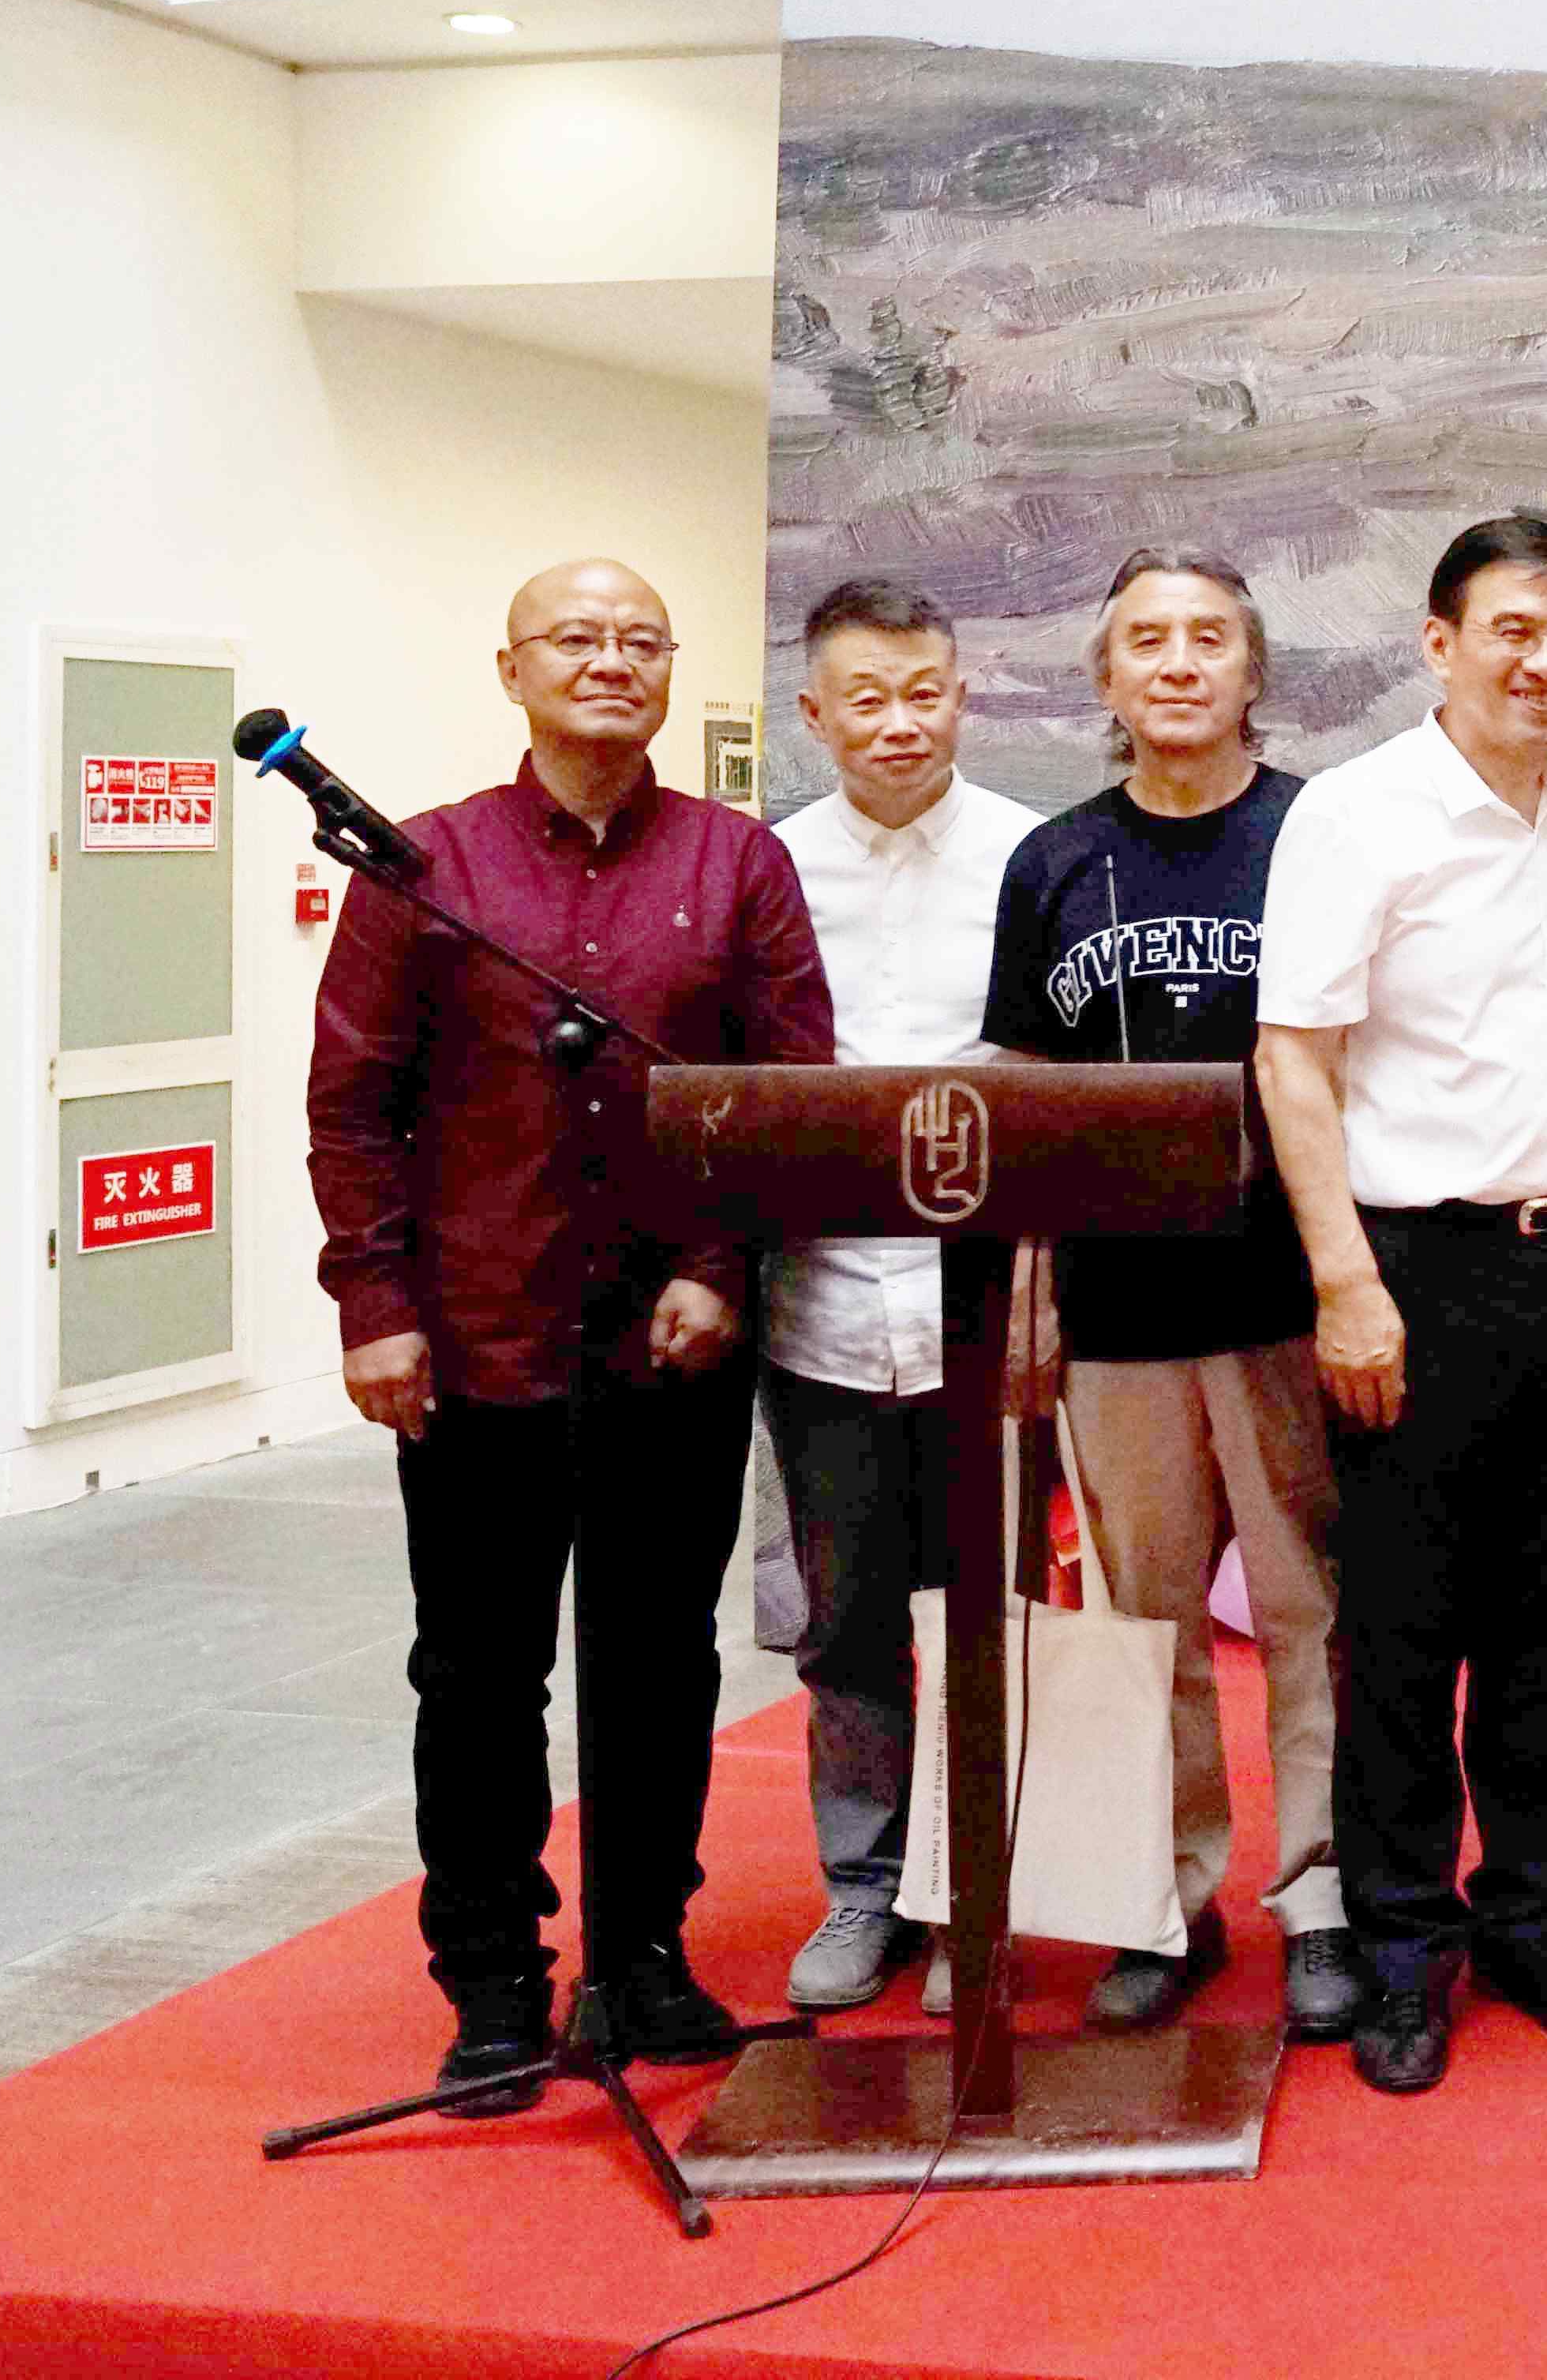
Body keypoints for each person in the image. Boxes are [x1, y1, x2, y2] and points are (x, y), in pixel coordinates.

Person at [305, 560, 833, 2112]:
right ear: (512, 667)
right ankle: (489, 1979)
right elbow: (355, 1100)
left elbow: (788, 1093)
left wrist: (722, 1266)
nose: (611, 660)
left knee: (661, 1661)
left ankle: (644, 1949)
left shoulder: (736, 861)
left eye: (639, 640)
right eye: (577, 638)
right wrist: (374, 1303)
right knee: (477, 1672)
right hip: (475, 1339)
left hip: (673, 1340)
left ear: (673, 672)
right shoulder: (425, 861)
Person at [1257, 516, 1547, 2095]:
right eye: (1514, 630)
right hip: (1411, 1270)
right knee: (1405, 1634)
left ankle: (1533, 1918)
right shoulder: (1357, 813)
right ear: (1439, 641)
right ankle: (1403, 1944)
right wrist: (1345, 1281)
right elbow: (1295, 1054)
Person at [982, 549, 1352, 2042]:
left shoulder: (1320, 835)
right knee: (1143, 1626)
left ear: (1254, 671)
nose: (1181, 664)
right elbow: (1021, 1088)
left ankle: (1320, 1894)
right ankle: (1167, 1901)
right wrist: (1029, 1290)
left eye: (1210, 639)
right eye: (1149, 642)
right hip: (1120, 1311)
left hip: (1287, 1293)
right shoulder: (1055, 862)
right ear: (1108, 680)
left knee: (1317, 1609)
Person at [765, 577, 1039, 2015]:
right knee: (848, 1624)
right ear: (814, 714)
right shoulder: (768, 868)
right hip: (821, 1315)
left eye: (923, 690)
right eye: (864, 696)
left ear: (961, 694)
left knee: (988, 1618)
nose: (897, 722)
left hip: (988, 1325)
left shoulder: (1029, 857)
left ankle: (972, 1890)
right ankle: (863, 1890)